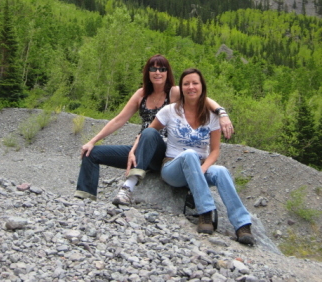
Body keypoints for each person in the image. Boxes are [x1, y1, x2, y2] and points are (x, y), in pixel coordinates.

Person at [74, 55, 234, 205]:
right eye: (153, 69)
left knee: (150, 133)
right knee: (92, 153)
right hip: (140, 148)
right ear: (147, 72)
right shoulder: (141, 94)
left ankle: (128, 187)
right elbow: (118, 119)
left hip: (163, 152)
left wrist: (222, 113)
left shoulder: (174, 92)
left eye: (162, 69)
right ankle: (85, 201)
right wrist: (92, 141)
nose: (158, 72)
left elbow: (201, 97)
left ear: (167, 73)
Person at [142, 68, 255, 245]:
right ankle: (205, 214)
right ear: (182, 88)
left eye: (195, 83)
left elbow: (215, 151)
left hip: (199, 167)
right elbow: (148, 134)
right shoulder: (170, 111)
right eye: (186, 84)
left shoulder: (211, 117)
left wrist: (202, 169)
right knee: (189, 154)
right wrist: (135, 152)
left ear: (202, 87)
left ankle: (242, 225)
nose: (191, 87)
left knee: (221, 171)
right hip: (173, 168)